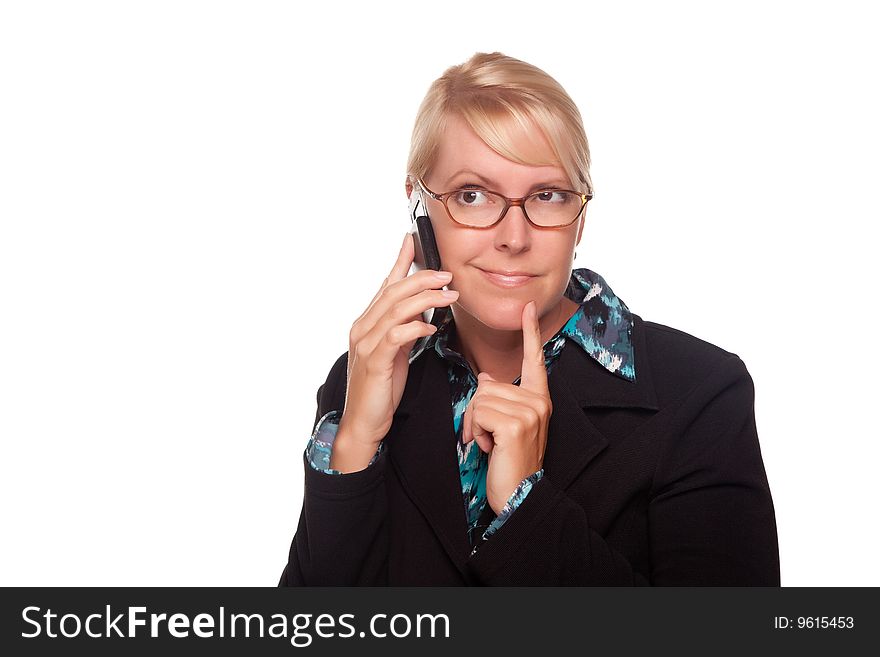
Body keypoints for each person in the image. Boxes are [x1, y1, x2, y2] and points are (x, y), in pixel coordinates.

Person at [278, 52, 780, 586]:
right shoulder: (361, 379)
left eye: (548, 196)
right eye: (471, 196)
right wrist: (356, 441)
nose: (513, 238)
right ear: (419, 205)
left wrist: (526, 508)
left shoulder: (700, 392)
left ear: (580, 217)